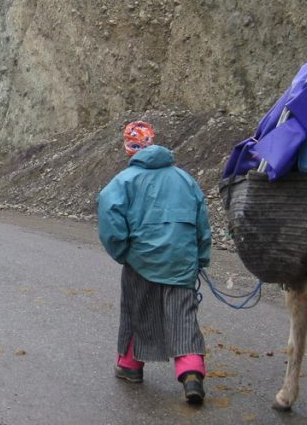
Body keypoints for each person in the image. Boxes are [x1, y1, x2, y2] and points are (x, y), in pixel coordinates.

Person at [97, 121, 212, 405]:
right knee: (183, 315)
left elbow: (110, 217)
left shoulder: (123, 181)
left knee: (137, 309)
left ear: (129, 149)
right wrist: (200, 256)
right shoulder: (185, 179)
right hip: (181, 260)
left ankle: (130, 366)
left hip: (141, 260)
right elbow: (202, 222)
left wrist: (122, 252)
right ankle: (192, 373)